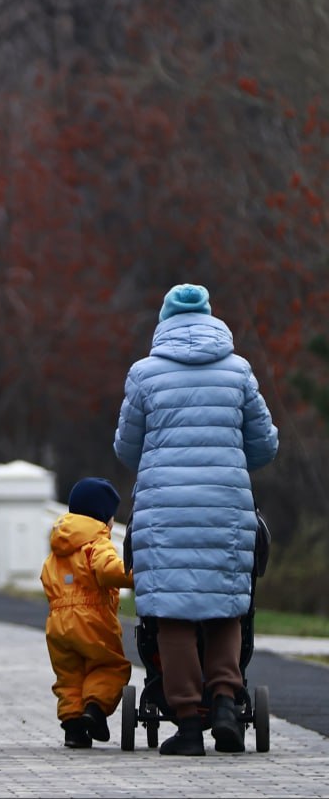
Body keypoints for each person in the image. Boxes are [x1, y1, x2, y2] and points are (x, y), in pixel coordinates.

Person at [113, 283, 279, 756]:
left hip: (164, 511)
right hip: (226, 506)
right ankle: (224, 702)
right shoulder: (238, 371)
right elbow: (265, 445)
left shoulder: (144, 374)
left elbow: (126, 448)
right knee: (227, 606)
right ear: (211, 318)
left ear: (164, 322)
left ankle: (187, 723)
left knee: (172, 613)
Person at [40, 477, 135, 749]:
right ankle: (94, 710)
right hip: (92, 619)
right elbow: (107, 570)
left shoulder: (58, 546)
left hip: (58, 624)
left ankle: (73, 729)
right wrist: (136, 575)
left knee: (69, 676)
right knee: (109, 666)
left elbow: (46, 577)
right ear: (104, 517)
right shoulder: (96, 542)